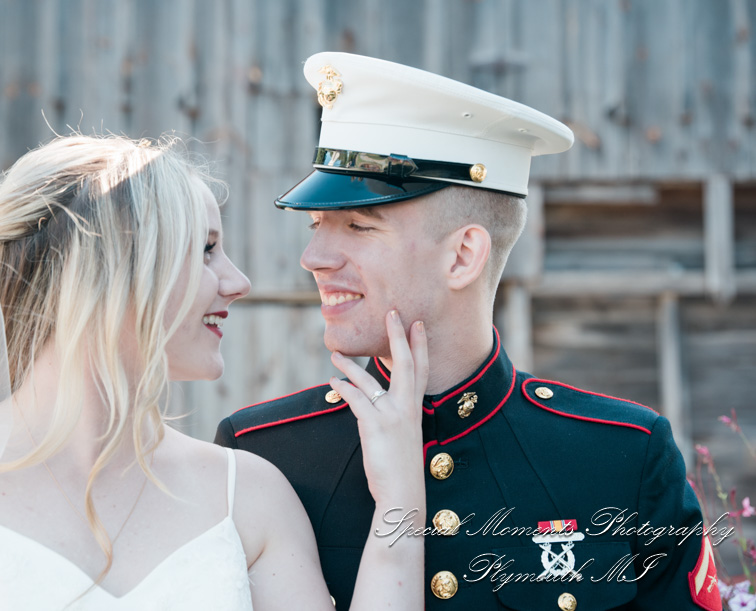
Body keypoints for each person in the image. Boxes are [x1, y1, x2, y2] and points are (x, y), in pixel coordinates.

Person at [216, 52, 722, 611]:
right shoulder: (263, 456)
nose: (314, 257)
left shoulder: (623, 456)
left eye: (359, 225)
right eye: (317, 226)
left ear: (462, 255)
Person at [0, 134, 429, 610]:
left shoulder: (248, 496)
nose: (238, 282)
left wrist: (401, 501)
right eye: (206, 249)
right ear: (111, 274)